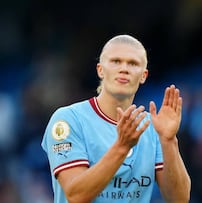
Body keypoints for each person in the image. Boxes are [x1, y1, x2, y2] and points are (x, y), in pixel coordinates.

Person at [41, 34, 191, 203]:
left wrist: (168, 140)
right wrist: (122, 146)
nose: (124, 69)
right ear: (100, 70)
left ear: (143, 75)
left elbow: (179, 199)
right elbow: (76, 195)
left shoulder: (152, 126)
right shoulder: (68, 120)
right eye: (116, 61)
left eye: (133, 63)